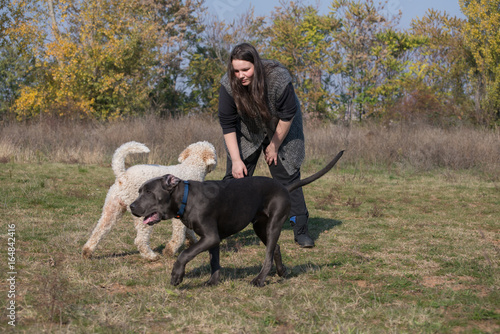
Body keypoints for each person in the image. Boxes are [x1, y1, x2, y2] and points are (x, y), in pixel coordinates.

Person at [218, 42, 314, 248]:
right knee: (235, 179)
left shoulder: (278, 78)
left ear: (257, 65)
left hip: (281, 126)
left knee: (287, 177)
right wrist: (236, 160)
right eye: (236, 70)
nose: (240, 75)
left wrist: (274, 145)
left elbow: (288, 115)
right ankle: (221, 228)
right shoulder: (228, 85)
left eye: (246, 69)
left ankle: (301, 228)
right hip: (247, 129)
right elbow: (227, 124)